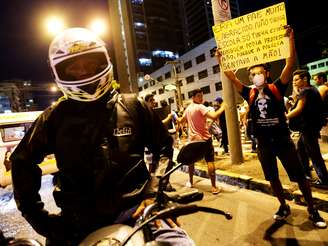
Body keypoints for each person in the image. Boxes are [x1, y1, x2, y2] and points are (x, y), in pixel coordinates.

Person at [10, 27, 194, 245]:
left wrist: (152, 193)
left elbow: (163, 146)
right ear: (60, 72)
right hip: (76, 223)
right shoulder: (54, 118)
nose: (83, 72)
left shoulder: (133, 105)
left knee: (180, 243)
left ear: (103, 61)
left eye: (89, 64)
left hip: (135, 212)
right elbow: (22, 161)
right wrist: (42, 221)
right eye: (73, 67)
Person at [216, 26, 327, 228]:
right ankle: (283, 205)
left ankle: (312, 209)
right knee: (272, 178)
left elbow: (289, 63)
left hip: (283, 141)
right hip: (264, 144)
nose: (256, 76)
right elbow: (231, 76)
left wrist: (290, 40)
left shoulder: (277, 86)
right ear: (250, 78)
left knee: (300, 177)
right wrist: (221, 59)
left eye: (259, 72)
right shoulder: (248, 93)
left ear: (266, 74)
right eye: (252, 74)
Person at [178, 89, 225, 194]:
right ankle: (213, 187)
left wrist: (176, 120)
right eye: (199, 96)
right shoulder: (200, 107)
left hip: (193, 140)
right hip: (205, 139)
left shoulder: (188, 108)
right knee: (210, 161)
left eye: (201, 96)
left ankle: (190, 182)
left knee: (191, 161)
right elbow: (214, 116)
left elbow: (181, 120)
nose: (201, 98)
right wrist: (223, 107)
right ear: (193, 97)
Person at [286, 69, 328, 187]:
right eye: (293, 80)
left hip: (308, 127)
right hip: (311, 126)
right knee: (300, 148)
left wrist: (286, 117)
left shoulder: (305, 91)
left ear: (305, 79)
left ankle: (324, 179)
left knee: (313, 153)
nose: (293, 82)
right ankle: (305, 173)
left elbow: (299, 108)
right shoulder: (311, 90)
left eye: (296, 79)